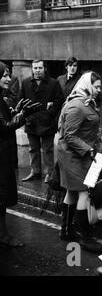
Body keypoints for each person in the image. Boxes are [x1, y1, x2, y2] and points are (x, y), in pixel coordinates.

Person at [57, 71, 102, 251]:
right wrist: (89, 150)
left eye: (100, 86)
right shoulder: (77, 105)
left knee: (71, 192)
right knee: (83, 193)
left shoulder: (86, 102)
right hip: (73, 156)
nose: (99, 90)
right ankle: (85, 237)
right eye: (96, 86)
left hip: (78, 155)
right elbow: (69, 135)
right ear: (86, 85)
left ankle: (66, 230)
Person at [0, 62, 41, 247]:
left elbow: (6, 119)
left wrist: (17, 112)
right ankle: (3, 235)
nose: (9, 78)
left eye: (9, 74)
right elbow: (4, 127)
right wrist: (22, 115)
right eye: (5, 75)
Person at [19, 59, 64, 183]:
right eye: (35, 68)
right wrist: (26, 116)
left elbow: (60, 100)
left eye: (39, 68)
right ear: (32, 69)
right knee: (33, 149)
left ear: (44, 69)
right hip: (31, 122)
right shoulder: (26, 82)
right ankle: (35, 171)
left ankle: (50, 173)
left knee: (48, 149)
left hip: (47, 122)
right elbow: (20, 100)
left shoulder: (53, 83)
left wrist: (51, 112)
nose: (37, 71)